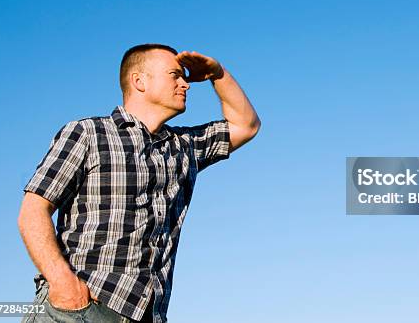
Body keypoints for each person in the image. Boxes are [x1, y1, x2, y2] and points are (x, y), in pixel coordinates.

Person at [18, 44, 261, 322]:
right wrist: (63, 283)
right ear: (139, 81)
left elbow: (246, 125)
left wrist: (218, 74)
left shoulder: (184, 146)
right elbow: (32, 210)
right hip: (79, 308)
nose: (186, 84)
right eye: (175, 75)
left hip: (148, 314)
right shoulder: (88, 133)